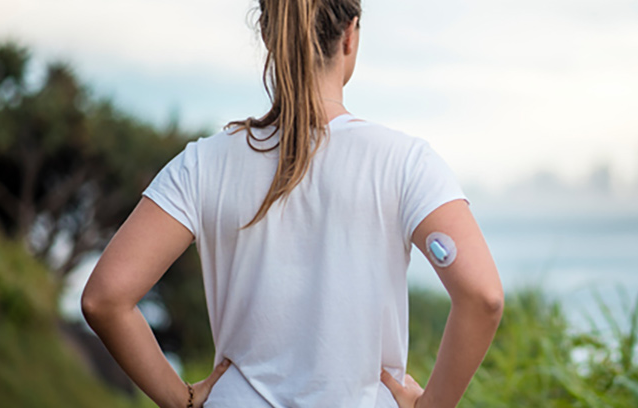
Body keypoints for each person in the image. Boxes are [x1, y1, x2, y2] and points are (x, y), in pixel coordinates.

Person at [80, 0, 504, 407]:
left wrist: (181, 399)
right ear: (350, 35)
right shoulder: (405, 162)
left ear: (267, 34)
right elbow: (483, 297)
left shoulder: (203, 164)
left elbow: (105, 299)